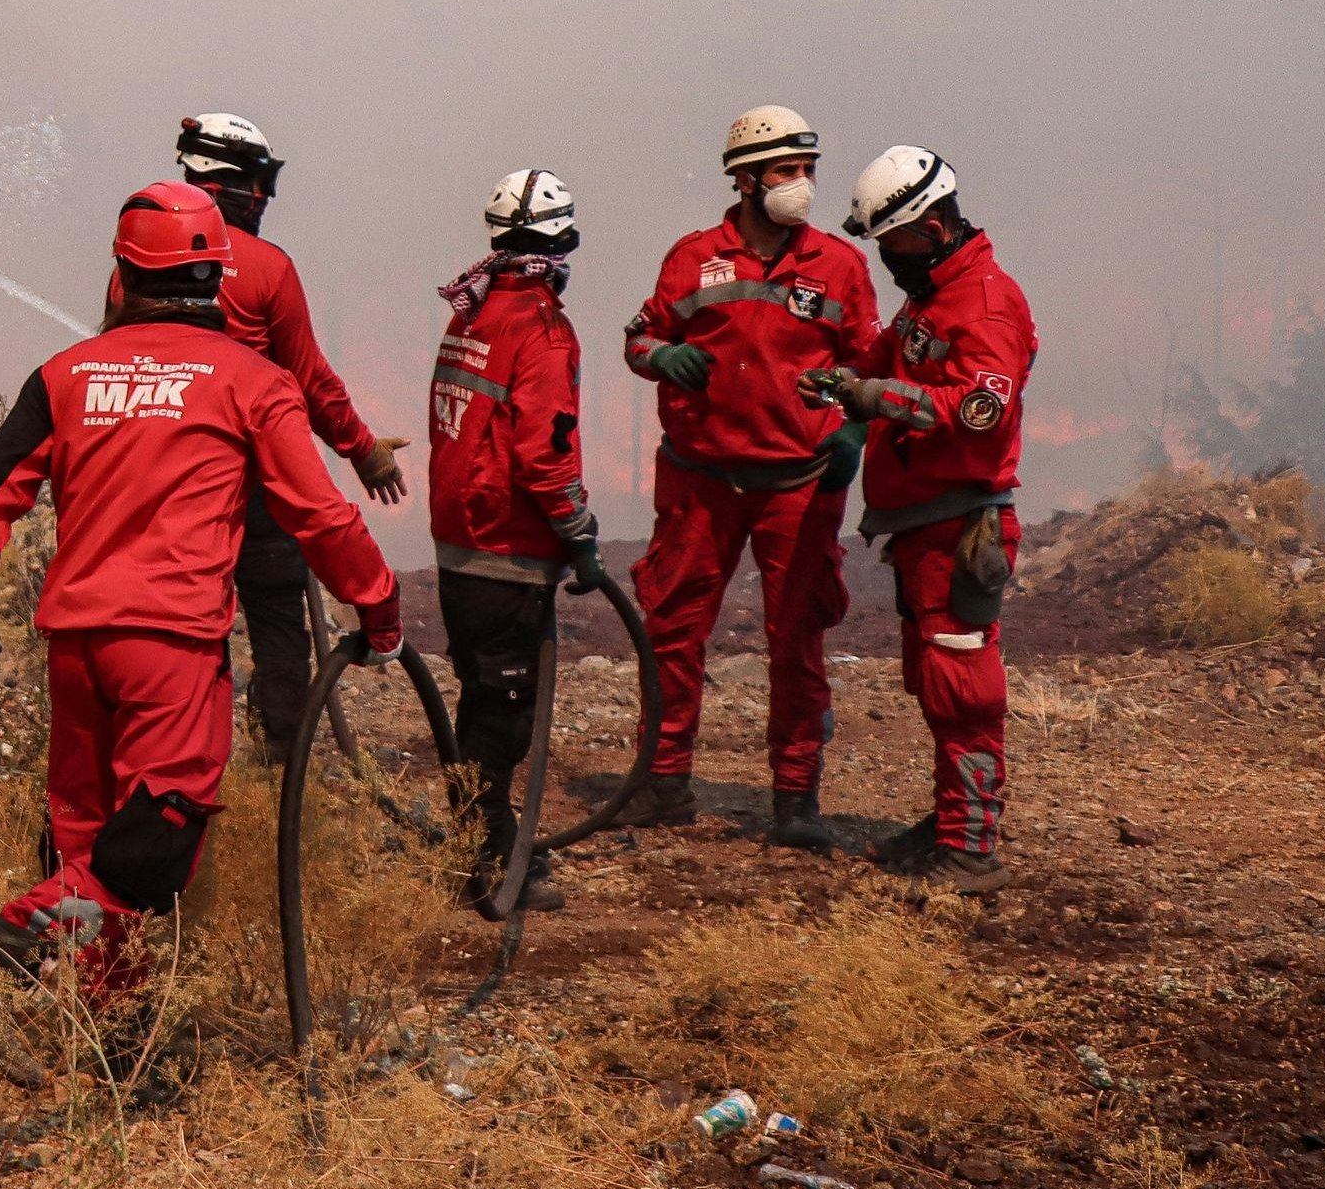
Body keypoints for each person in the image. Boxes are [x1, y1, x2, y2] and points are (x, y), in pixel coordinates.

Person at [0, 181, 402, 1083]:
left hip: (76, 646)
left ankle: (108, 1040)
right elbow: (319, 516)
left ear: (121, 275)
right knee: (154, 851)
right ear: (216, 273)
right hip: (170, 645)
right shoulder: (252, 381)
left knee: (91, 843)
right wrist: (379, 610)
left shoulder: (67, 375)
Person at [618, 105, 875, 842]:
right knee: (672, 627)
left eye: (808, 169)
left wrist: (854, 426)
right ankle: (662, 783)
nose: (802, 184)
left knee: (796, 640)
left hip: (799, 483)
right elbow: (640, 339)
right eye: (786, 170)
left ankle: (796, 801)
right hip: (701, 480)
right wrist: (660, 356)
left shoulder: (840, 264)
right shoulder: (692, 258)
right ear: (745, 179)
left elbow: (868, 362)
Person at [801, 148, 1036, 895]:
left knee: (963, 686)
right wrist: (846, 378)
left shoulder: (987, 304)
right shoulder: (933, 295)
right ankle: (949, 823)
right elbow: (892, 359)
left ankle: (972, 845)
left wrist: (876, 399)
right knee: (937, 682)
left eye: (893, 243)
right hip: (922, 525)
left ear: (932, 228)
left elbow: (978, 415)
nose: (886, 258)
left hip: (962, 524)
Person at [168, 114, 408, 751]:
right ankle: (282, 762)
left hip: (169, 485)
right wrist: (365, 452)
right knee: (278, 623)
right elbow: (311, 381)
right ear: (237, 183)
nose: (263, 198)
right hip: (257, 483)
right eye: (258, 183)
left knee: (187, 627)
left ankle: (189, 753)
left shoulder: (136, 262)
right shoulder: (268, 267)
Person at [425, 169, 608, 920]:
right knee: (501, 718)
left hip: (459, 543)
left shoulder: (471, 312)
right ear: (562, 242)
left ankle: (478, 845)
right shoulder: (539, 326)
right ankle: (490, 863)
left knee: (480, 705)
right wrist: (578, 531)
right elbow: (543, 452)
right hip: (505, 550)